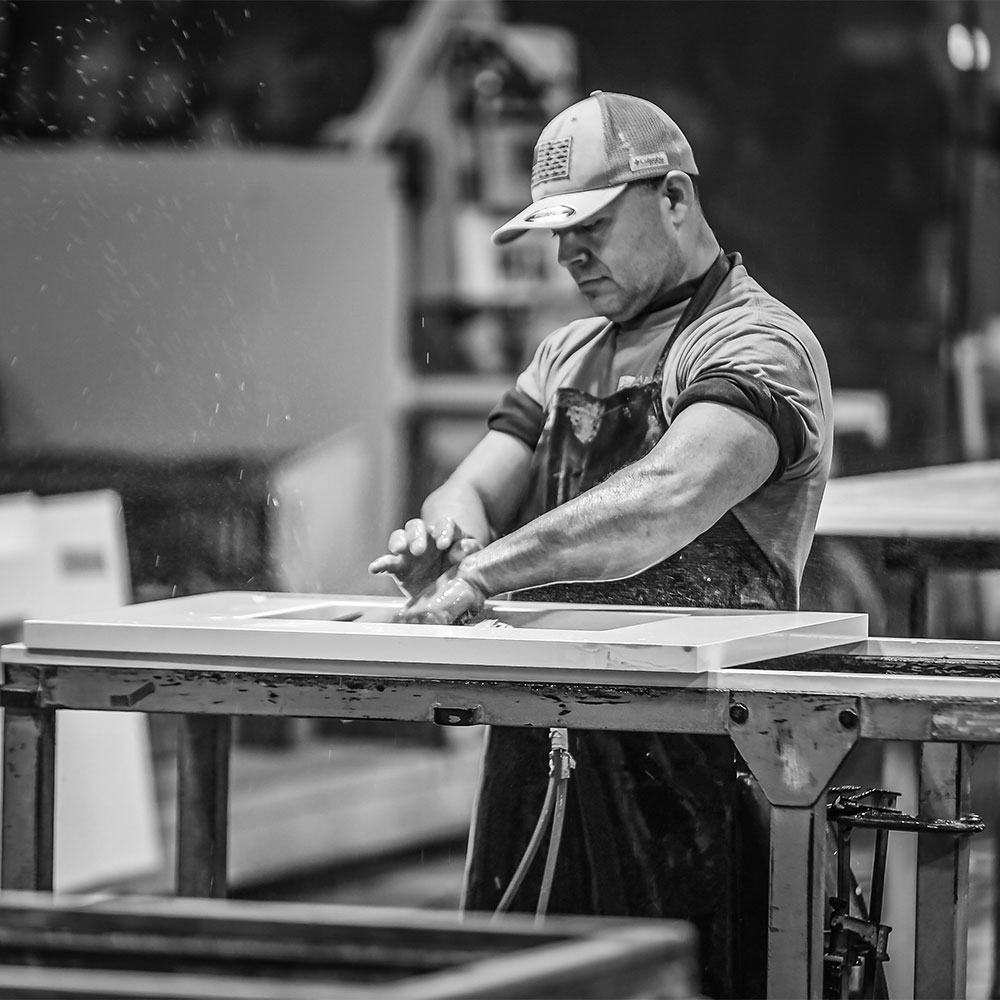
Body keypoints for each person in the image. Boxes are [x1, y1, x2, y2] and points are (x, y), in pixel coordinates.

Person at [370, 91, 832, 998]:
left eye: (591, 222)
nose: (568, 252)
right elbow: (472, 485)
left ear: (674, 199)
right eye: (556, 230)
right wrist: (443, 534)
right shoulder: (567, 354)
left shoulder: (753, 342)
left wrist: (483, 571)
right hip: (541, 741)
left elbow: (662, 500)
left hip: (700, 761)